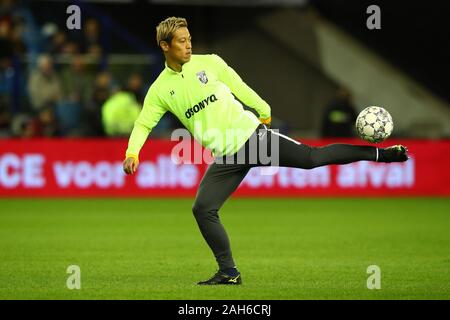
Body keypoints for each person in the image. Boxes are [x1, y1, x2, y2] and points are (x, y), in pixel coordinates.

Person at [123, 17, 409, 286]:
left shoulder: (209, 63)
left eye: (189, 39)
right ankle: (229, 273)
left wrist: (263, 110)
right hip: (227, 157)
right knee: (203, 209)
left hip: (253, 139)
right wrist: (133, 152)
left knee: (312, 158)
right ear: (165, 46)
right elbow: (144, 122)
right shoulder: (160, 89)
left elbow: (239, 86)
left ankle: (382, 155)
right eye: (182, 41)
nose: (188, 45)